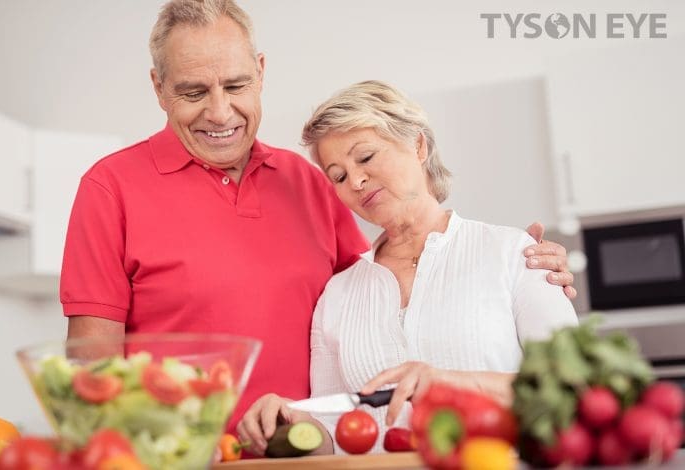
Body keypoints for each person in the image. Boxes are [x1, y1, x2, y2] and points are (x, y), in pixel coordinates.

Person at [60, 0, 575, 434]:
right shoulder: (110, 187)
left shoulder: (305, 181)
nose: (219, 112)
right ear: (159, 88)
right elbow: (92, 367)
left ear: (261, 72)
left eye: (236, 86)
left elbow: (381, 287)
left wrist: (525, 265)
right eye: (194, 92)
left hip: (304, 455)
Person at [236, 80, 578, 455]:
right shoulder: (337, 295)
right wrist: (291, 419)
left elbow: (575, 387)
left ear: (418, 145)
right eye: (339, 176)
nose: (356, 181)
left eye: (366, 157)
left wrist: (451, 383)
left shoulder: (515, 254)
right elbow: (334, 433)